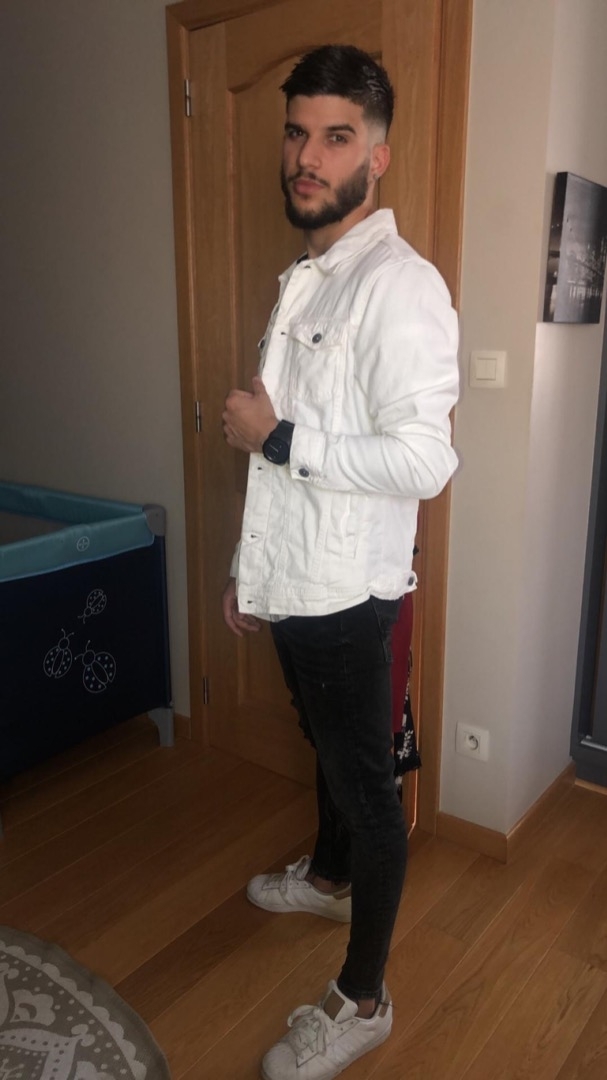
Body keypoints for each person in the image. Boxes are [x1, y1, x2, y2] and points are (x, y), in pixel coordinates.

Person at [221, 43, 459, 1080]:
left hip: (347, 598)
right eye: (296, 133)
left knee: (366, 788)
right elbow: (283, 458)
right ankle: (326, 879)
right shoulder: (312, 277)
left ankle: (363, 999)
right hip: (294, 581)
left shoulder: (399, 288)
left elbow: (425, 461)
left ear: (377, 156)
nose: (307, 158)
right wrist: (249, 568)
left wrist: (277, 437)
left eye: (335, 137)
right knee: (324, 745)